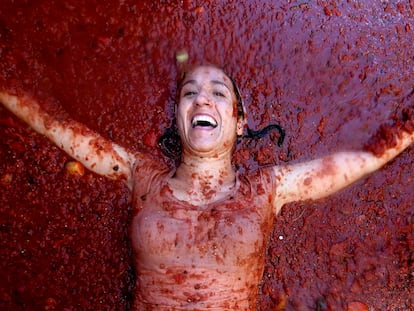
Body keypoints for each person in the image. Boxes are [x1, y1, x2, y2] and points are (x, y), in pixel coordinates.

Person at [1, 65, 413, 310]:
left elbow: (364, 159)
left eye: (218, 93)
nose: (202, 100)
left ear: (239, 121)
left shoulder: (267, 188)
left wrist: (407, 128)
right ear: (177, 119)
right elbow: (57, 127)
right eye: (189, 93)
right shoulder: (139, 174)